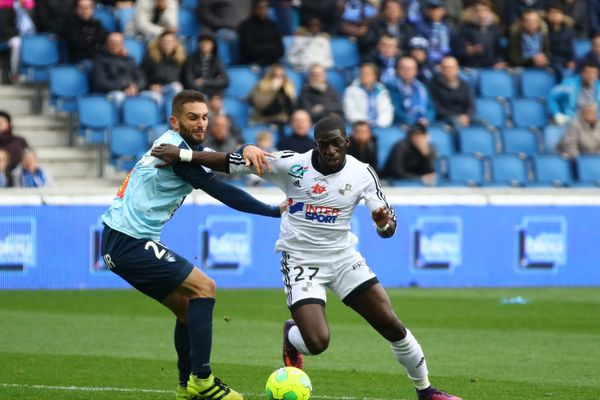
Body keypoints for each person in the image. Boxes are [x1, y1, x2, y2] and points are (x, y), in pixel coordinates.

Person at [150, 115, 463, 400]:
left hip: (343, 259)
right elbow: (232, 163)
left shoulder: (363, 174)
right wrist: (183, 155)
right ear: (316, 144)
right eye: (324, 145)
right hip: (301, 262)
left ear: (347, 143)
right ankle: (292, 334)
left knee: (391, 325)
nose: (330, 151)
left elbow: (388, 229)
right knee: (317, 343)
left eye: (336, 144)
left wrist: (383, 223)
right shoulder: (292, 165)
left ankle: (426, 391)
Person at [100, 90, 282, 400]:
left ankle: (186, 388)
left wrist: (248, 147)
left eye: (204, 117)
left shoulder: (186, 150)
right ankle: (202, 379)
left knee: (187, 310)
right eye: (192, 117)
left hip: (120, 241)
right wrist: (273, 210)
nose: (200, 123)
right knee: (205, 287)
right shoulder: (172, 152)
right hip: (128, 242)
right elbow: (224, 191)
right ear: (175, 120)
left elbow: (224, 160)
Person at [91, 32, 146, 108]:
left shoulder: (129, 59)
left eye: (117, 43)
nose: (114, 45)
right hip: (112, 92)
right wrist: (123, 88)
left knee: (150, 97)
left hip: (132, 90)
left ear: (122, 44)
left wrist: (136, 87)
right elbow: (101, 83)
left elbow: (141, 78)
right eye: (112, 42)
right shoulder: (100, 59)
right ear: (107, 44)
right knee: (119, 97)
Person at [386, 56, 435, 127]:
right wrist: (412, 121)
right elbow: (395, 109)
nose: (407, 71)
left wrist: (427, 119)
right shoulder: (391, 87)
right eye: (404, 68)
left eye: (411, 68)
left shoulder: (422, 87)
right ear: (398, 70)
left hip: (422, 124)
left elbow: (431, 108)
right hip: (401, 125)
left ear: (416, 71)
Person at [428, 55, 475, 128]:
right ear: (441, 69)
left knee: (484, 125)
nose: (449, 70)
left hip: (464, 118)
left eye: (451, 68)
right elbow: (437, 107)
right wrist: (457, 117)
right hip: (445, 119)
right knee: (456, 122)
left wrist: (467, 116)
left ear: (457, 69)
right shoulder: (433, 86)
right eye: (445, 67)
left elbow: (471, 105)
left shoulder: (465, 85)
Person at [457, 0, 506, 69]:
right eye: (478, 10)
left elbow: (499, 52)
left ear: (489, 12)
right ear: (473, 12)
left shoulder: (495, 31)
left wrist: (499, 62)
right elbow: (459, 52)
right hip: (472, 68)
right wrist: (469, 51)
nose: (481, 13)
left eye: (485, 10)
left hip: (491, 69)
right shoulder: (465, 30)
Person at [141, 30, 185, 106]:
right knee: (157, 97)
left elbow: (184, 79)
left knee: (177, 87)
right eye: (164, 41)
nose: (167, 44)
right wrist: (150, 86)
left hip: (170, 89)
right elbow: (142, 75)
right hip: (152, 90)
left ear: (175, 43)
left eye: (170, 41)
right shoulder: (151, 57)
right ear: (160, 42)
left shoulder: (179, 59)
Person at [343, 62, 394, 127]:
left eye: (367, 73)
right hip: (358, 126)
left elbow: (387, 111)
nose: (363, 75)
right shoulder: (350, 91)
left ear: (375, 76)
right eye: (362, 73)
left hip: (379, 126)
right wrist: (366, 124)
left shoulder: (382, 90)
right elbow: (350, 113)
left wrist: (379, 124)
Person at [180, 34, 228, 98]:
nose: (204, 45)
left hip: (212, 94)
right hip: (195, 93)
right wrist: (214, 83)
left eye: (207, 42)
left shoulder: (217, 60)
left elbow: (225, 81)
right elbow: (189, 81)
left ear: (213, 45)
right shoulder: (191, 59)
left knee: (217, 102)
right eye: (202, 42)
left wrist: (204, 82)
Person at [237, 0, 284, 66]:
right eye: (260, 7)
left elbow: (281, 51)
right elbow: (248, 51)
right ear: (254, 9)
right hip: (252, 64)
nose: (262, 10)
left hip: (272, 63)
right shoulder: (245, 26)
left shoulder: (273, 26)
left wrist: (260, 47)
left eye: (265, 7)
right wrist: (271, 47)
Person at [65, 0, 109, 65]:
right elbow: (78, 45)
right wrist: (95, 39)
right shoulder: (70, 24)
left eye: (88, 7)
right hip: (82, 59)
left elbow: (106, 37)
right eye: (81, 8)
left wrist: (91, 39)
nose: (85, 11)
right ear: (76, 9)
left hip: (98, 56)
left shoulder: (96, 23)